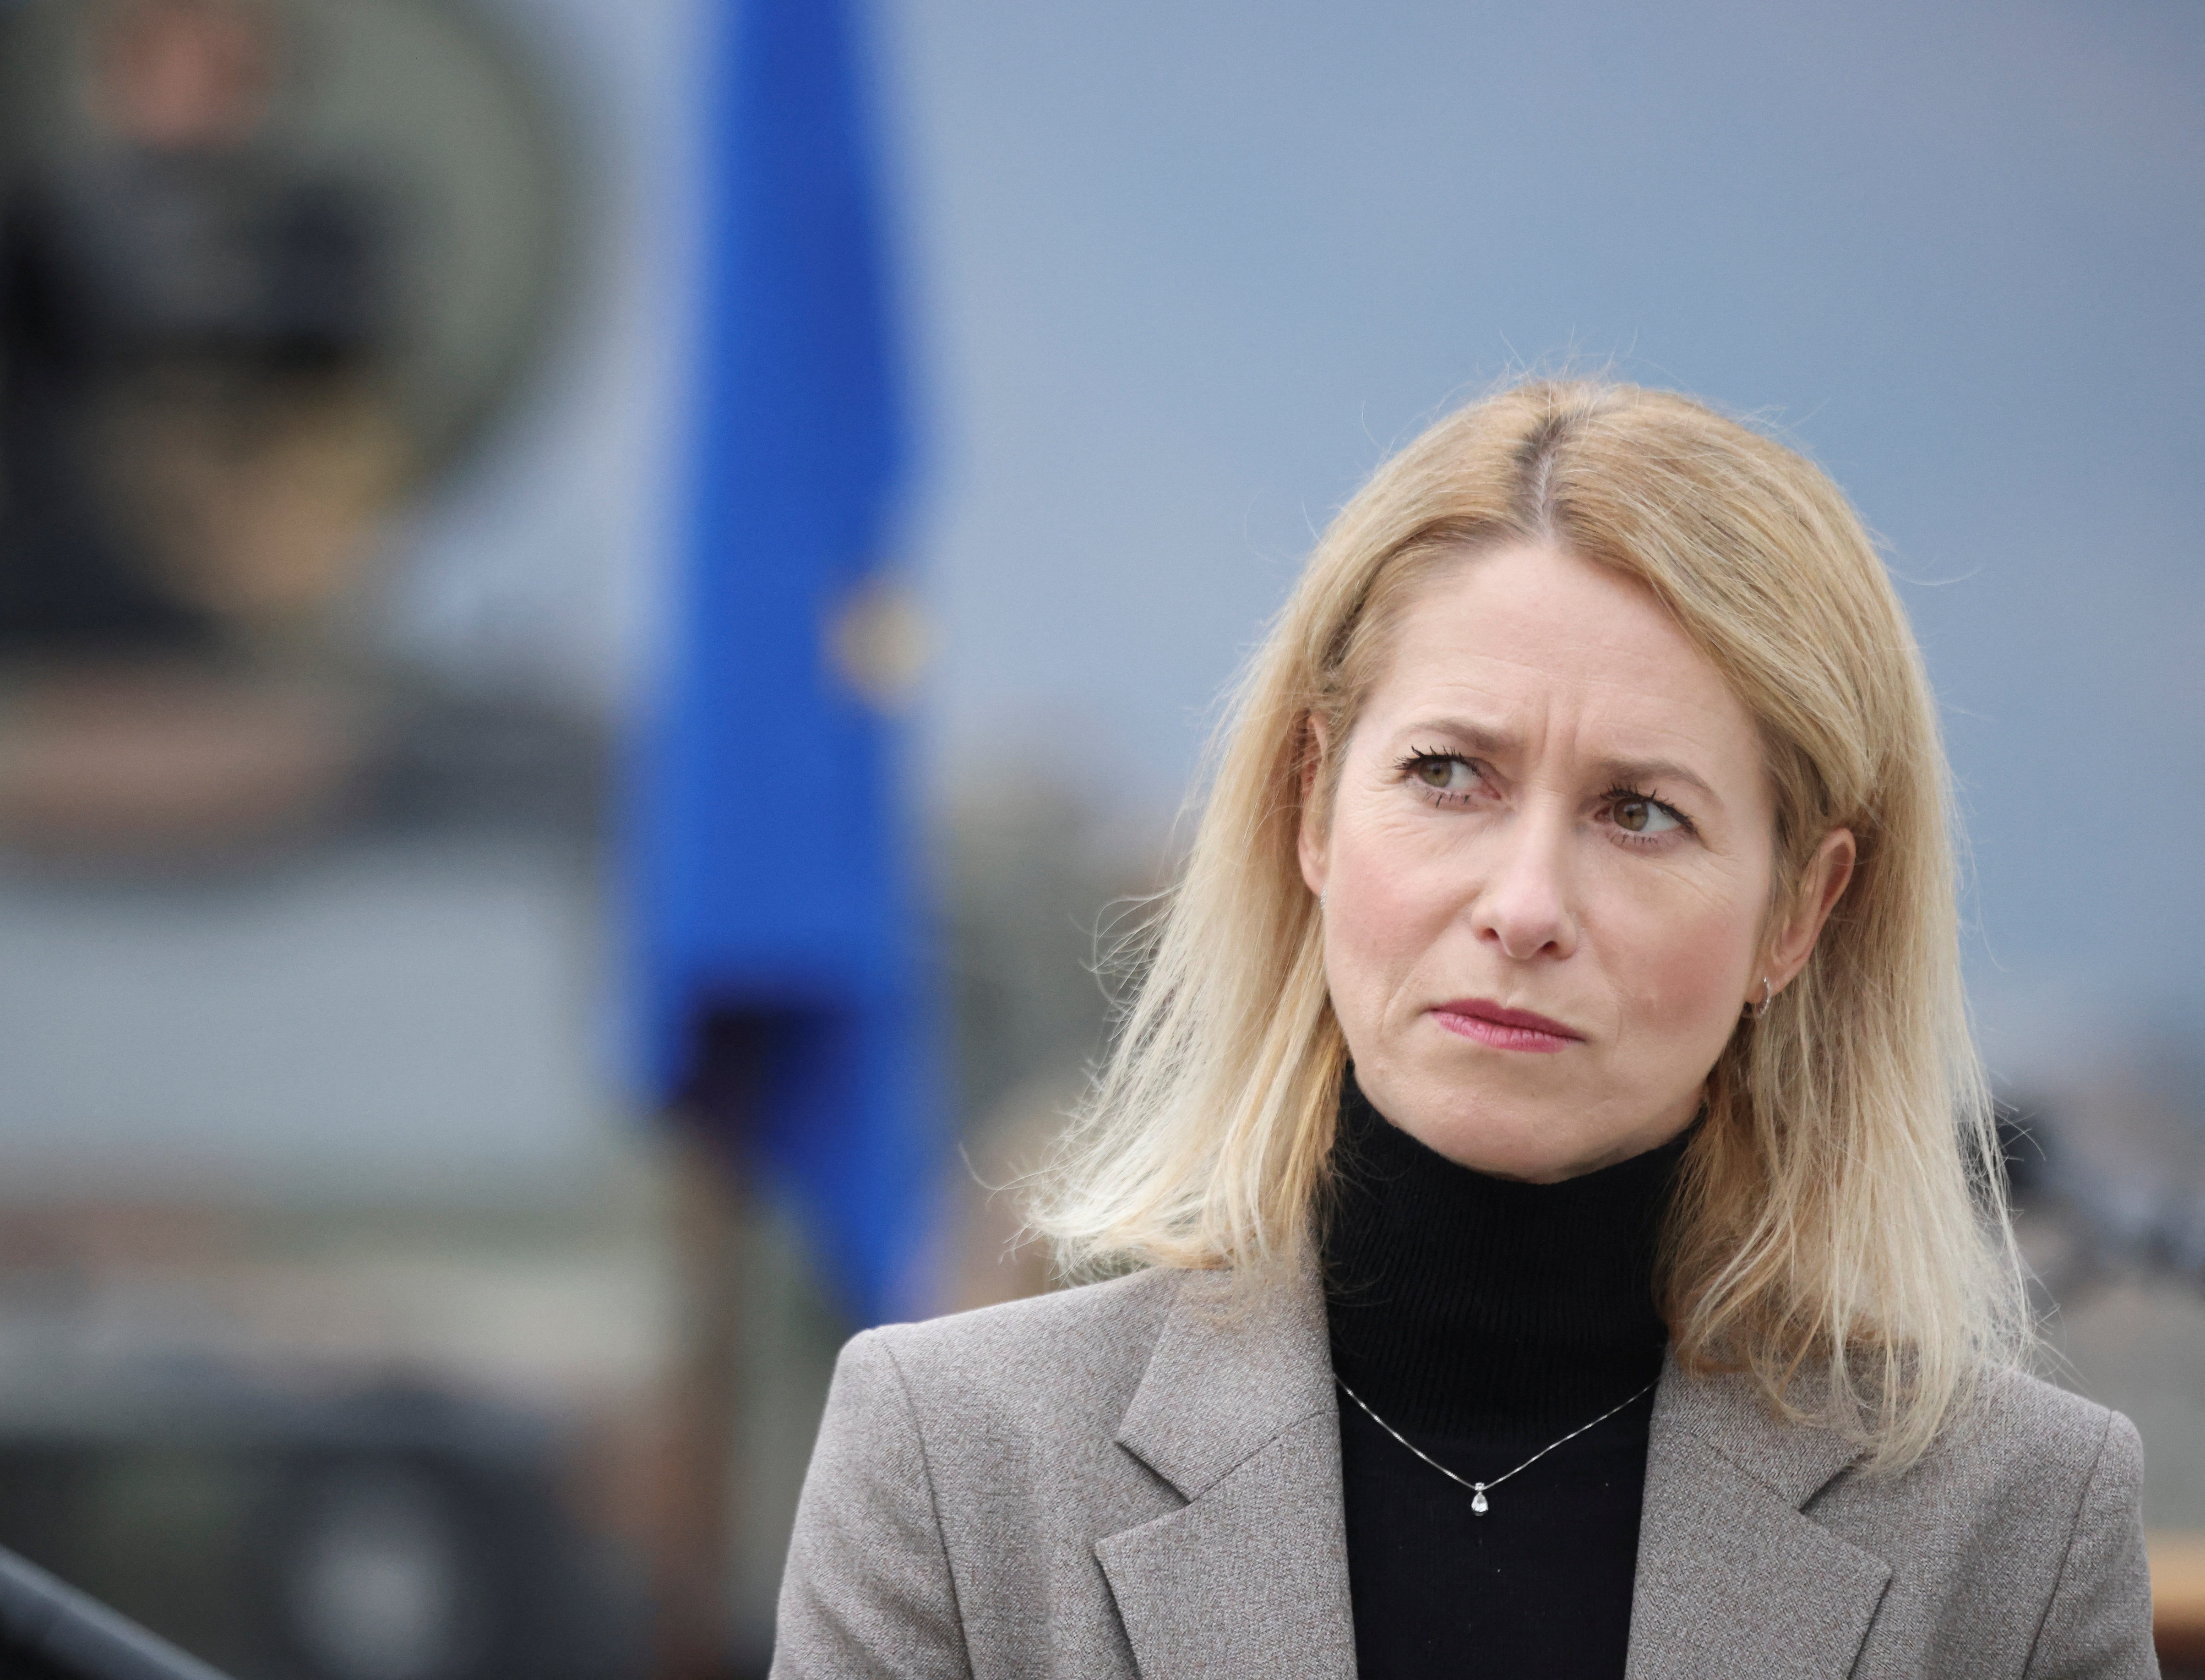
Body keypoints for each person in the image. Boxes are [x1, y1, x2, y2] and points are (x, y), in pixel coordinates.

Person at [770, 381, 2157, 1679]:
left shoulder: (2016, 1528)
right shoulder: (957, 1462)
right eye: (1448, 775)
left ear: (1797, 910)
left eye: (1639, 811)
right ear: (1313, 804)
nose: (1525, 904)